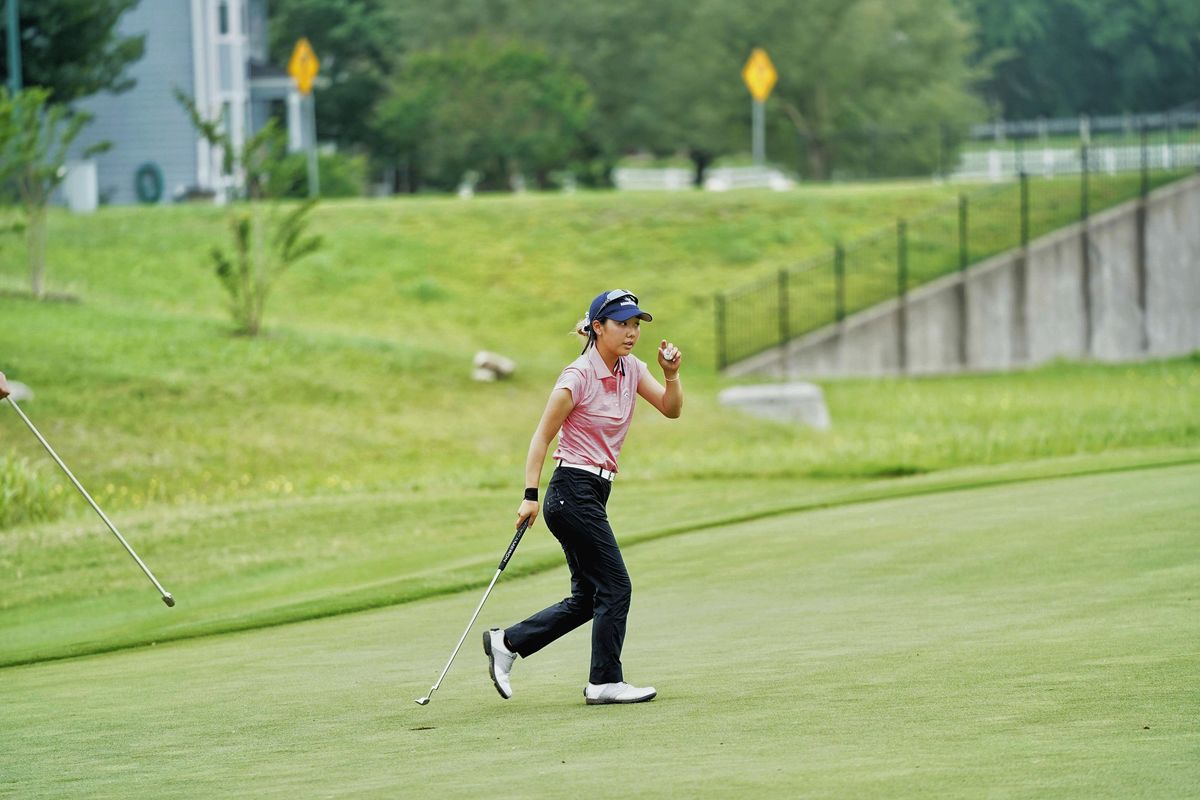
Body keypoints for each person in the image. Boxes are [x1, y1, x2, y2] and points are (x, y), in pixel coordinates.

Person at [484, 289, 683, 705]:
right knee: (616, 587)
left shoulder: (631, 369)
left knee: (589, 598)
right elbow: (541, 436)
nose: (631, 333)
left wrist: (671, 374)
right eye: (622, 324)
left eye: (635, 325)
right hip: (570, 492)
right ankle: (604, 681)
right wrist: (529, 495)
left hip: (593, 491)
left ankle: (507, 642)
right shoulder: (577, 376)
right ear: (597, 327)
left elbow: (670, 408)